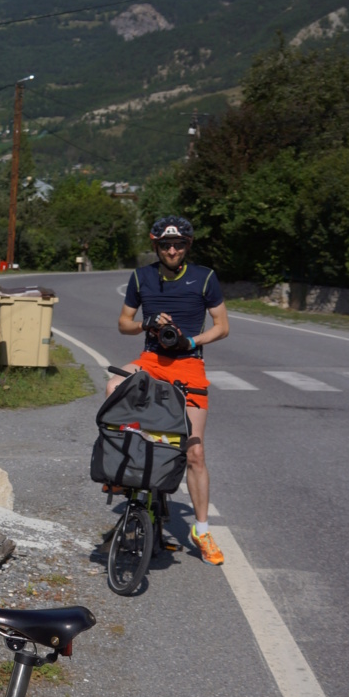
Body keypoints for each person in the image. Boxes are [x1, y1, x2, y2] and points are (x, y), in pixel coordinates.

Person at [106, 216, 229, 565]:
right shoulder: (141, 277)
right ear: (156, 246)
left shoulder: (204, 277)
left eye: (178, 244)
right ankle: (121, 473)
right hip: (151, 358)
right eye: (164, 245)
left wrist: (193, 339)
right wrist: (147, 322)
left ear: (187, 245)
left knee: (195, 453)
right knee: (114, 385)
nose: (171, 250)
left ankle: (201, 531)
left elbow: (222, 327)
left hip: (189, 363)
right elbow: (123, 323)